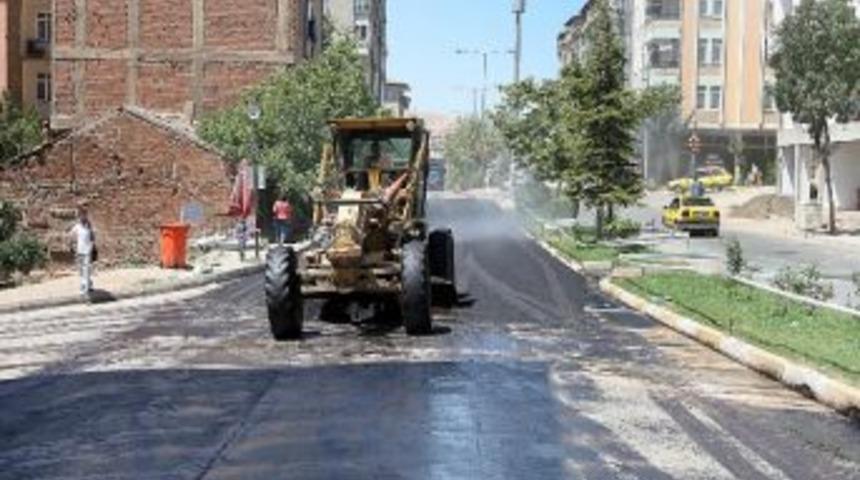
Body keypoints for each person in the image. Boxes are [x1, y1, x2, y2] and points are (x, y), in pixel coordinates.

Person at [69, 206, 95, 295]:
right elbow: (71, 235)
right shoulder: (77, 226)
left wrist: (91, 247)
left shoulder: (89, 226)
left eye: (84, 215)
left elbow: (92, 237)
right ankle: (90, 284)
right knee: (81, 270)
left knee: (86, 269)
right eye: (81, 215)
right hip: (80, 250)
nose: (83, 217)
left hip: (87, 251)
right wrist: (72, 246)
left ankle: (85, 288)